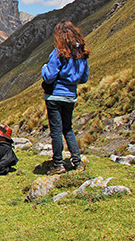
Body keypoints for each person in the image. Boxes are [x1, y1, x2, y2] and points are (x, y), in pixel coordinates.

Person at [42, 21, 90, 175]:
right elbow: (84, 79)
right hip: (70, 96)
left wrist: (44, 67)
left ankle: (58, 164)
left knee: (56, 130)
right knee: (68, 128)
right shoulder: (82, 54)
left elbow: (49, 76)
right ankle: (77, 161)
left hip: (55, 96)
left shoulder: (58, 52)